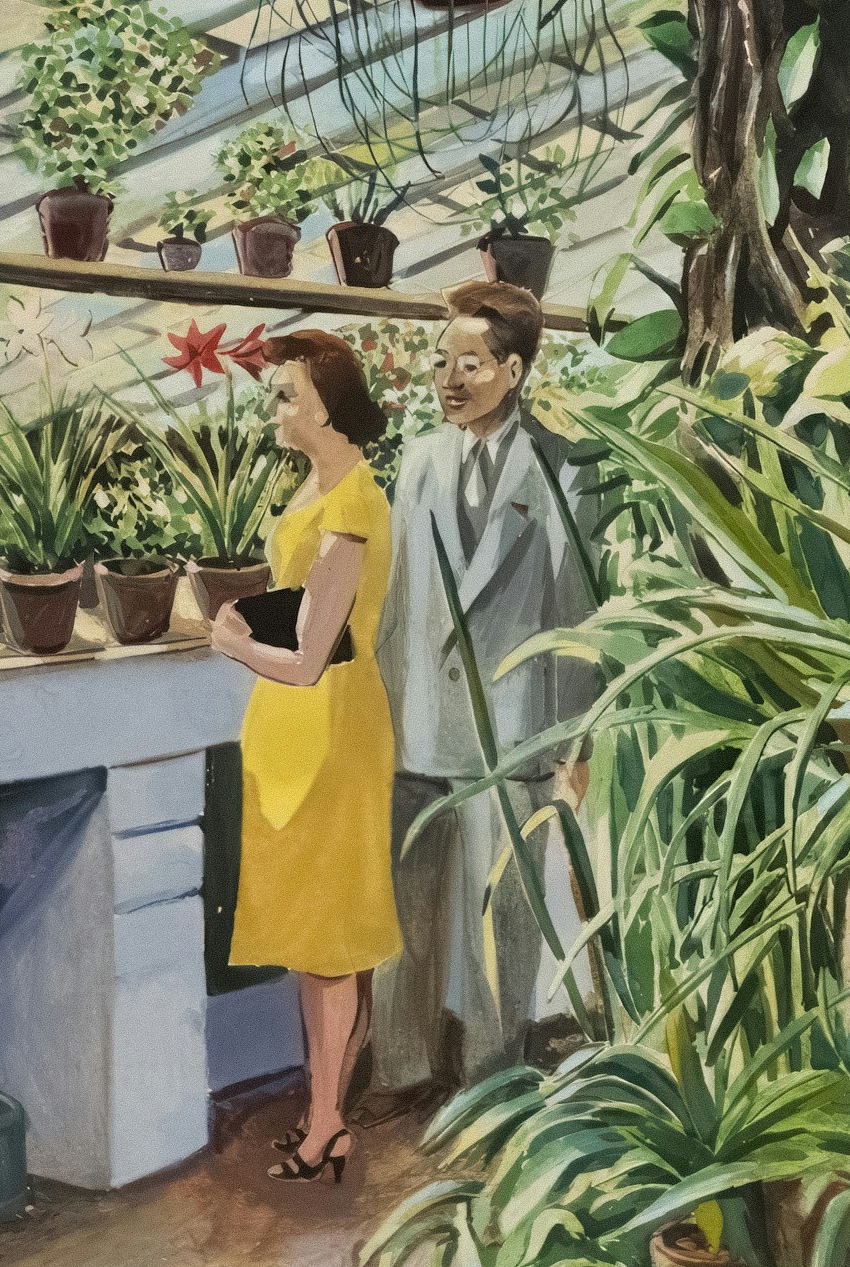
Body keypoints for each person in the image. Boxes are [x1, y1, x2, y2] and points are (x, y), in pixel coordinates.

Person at [371, 281, 602, 1107]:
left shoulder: (567, 470)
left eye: (470, 362)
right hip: (418, 725)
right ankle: (399, 1067)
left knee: (502, 911)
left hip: (514, 731)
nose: (449, 378)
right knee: (405, 906)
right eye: (441, 361)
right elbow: (397, 603)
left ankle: (493, 1075)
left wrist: (568, 744)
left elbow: (579, 616)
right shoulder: (421, 460)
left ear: (513, 368)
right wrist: (383, 716)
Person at [207, 329, 398, 1185]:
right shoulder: (325, 489)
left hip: (327, 731)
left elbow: (314, 655)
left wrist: (230, 638)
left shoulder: (352, 510)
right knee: (320, 940)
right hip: (302, 731)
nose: (277, 408)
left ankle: (325, 1122)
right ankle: (327, 1113)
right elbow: (309, 609)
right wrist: (258, 613)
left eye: (287, 394)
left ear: (329, 401)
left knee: (328, 942)